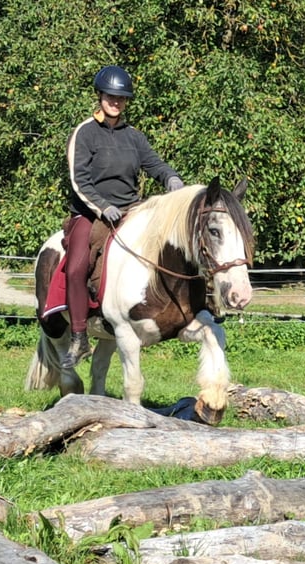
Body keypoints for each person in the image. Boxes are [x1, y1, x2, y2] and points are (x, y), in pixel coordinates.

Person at [61, 65, 185, 369]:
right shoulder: (84, 133)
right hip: (91, 214)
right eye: (110, 96)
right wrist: (102, 206)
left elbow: (154, 164)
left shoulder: (135, 137)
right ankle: (79, 337)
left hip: (130, 210)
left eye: (121, 98)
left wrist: (171, 178)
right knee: (77, 267)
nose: (115, 101)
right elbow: (79, 180)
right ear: (100, 96)